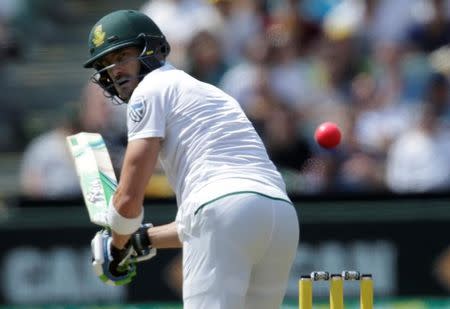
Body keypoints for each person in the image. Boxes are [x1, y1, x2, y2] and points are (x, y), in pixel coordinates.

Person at [83, 10, 299, 309]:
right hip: (280, 215)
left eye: (122, 55)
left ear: (151, 50)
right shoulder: (211, 93)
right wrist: (141, 240)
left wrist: (116, 247)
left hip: (223, 210)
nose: (115, 70)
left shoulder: (149, 89)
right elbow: (211, 216)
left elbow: (129, 197)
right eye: (106, 64)